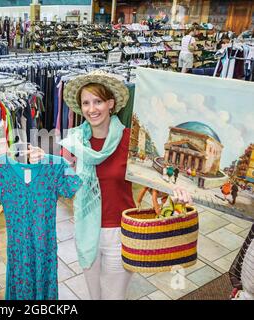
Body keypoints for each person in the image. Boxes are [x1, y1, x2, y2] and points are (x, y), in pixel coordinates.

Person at [57, 70, 192, 300]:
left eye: (98, 101)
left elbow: (160, 177)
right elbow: (64, 183)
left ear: (110, 104)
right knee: (93, 296)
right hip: (85, 229)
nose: (92, 109)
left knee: (114, 296)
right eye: (86, 102)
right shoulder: (74, 142)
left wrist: (177, 191)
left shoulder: (131, 141)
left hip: (120, 231)